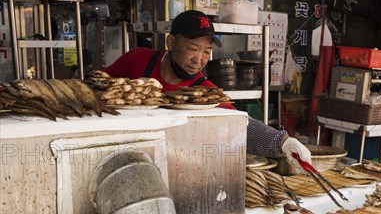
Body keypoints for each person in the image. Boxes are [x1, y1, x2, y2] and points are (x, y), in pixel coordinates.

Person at [104, 10, 311, 168]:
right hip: (118, 155)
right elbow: (98, 85)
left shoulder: (205, 93)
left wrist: (282, 142)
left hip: (169, 165)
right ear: (171, 42)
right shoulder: (137, 59)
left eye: (206, 52)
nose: (199, 60)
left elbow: (240, 125)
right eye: (193, 49)